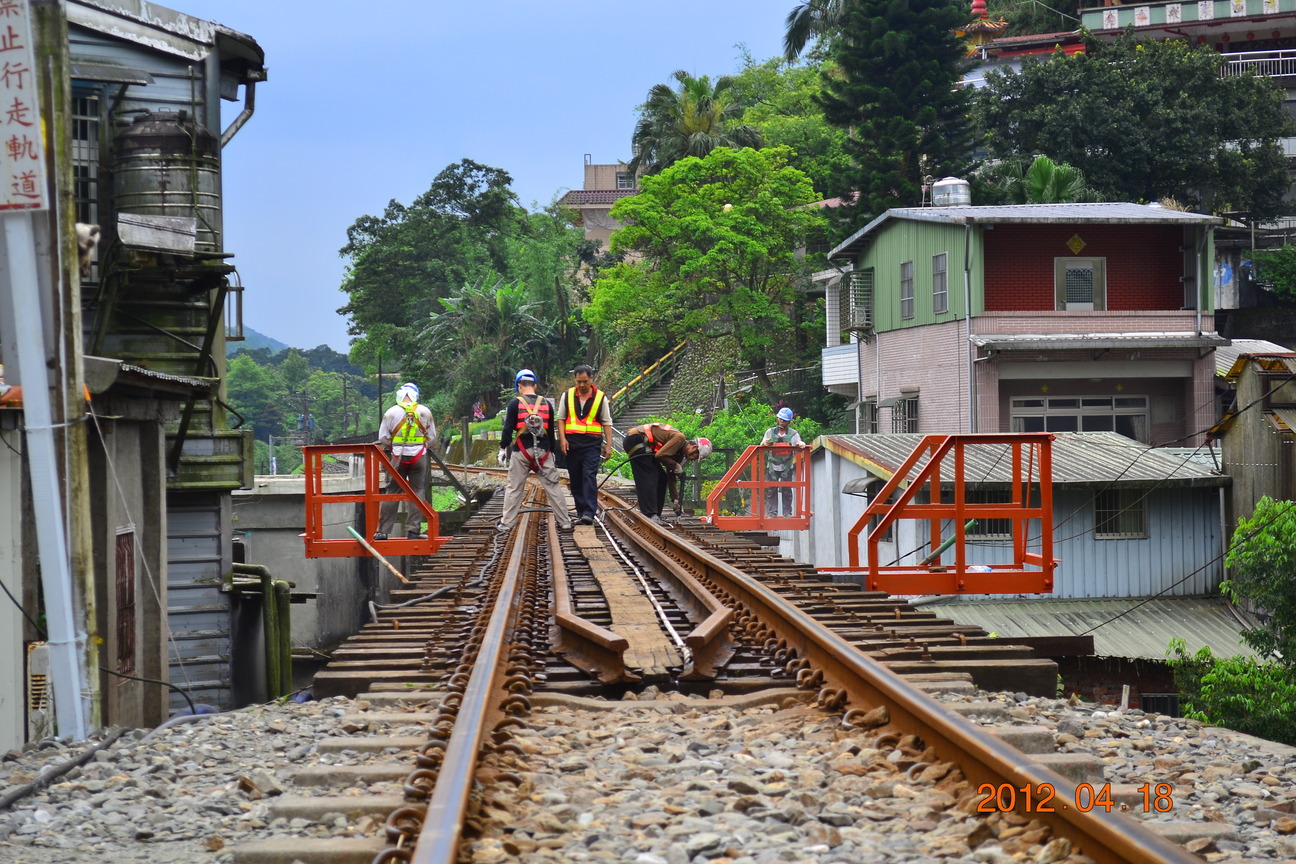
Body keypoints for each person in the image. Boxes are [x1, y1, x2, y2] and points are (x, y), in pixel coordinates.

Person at [497, 369, 572, 532]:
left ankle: (507, 523)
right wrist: (552, 451)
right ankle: (565, 521)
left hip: (521, 452)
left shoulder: (514, 404)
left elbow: (508, 429)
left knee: (514, 487)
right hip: (543, 453)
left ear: (519, 386)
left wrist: (503, 448)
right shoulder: (547, 404)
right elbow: (550, 432)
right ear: (535, 385)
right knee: (553, 486)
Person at [375, 382, 436, 540]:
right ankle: (413, 531)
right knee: (418, 491)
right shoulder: (425, 411)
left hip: (397, 456)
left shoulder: (390, 412)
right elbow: (432, 438)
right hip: (419, 456)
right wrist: (421, 446)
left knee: (393, 491)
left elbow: (382, 437)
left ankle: (383, 531)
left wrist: (393, 445)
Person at [555, 364, 614, 525]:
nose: (582, 385)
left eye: (585, 381)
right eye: (579, 381)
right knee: (575, 478)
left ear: (591, 379)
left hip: (592, 444)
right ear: (575, 380)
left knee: (589, 475)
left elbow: (607, 422)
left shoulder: (600, 397)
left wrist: (608, 445)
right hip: (572, 444)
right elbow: (561, 419)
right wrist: (562, 439)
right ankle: (581, 511)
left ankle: (589, 512)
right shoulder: (567, 396)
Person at [621, 422, 711, 525]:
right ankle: (649, 514)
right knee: (651, 474)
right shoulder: (679, 438)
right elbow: (660, 455)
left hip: (645, 446)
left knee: (662, 477)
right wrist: (676, 466)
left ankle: (656, 515)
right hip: (636, 440)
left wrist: (675, 499)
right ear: (694, 448)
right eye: (696, 456)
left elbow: (671, 474)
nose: (694, 459)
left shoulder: (679, 453)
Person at [760, 406, 804, 518]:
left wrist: (801, 444)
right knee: (771, 489)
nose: (781, 421)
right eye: (780, 419)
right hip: (772, 467)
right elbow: (761, 445)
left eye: (784, 420)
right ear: (777, 419)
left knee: (787, 490)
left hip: (786, 467)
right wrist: (765, 444)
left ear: (788, 422)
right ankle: (772, 513)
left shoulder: (793, 434)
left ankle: (787, 513)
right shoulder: (770, 432)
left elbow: (799, 444)